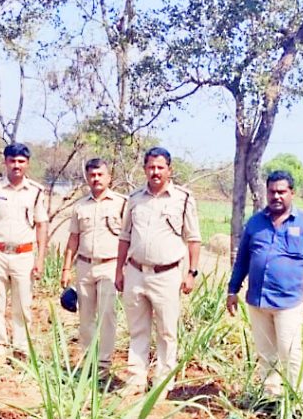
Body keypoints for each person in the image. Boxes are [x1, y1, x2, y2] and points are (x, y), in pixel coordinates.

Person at [226, 170, 303, 397]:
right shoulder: (255, 223)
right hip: (257, 302)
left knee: (290, 353)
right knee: (266, 355)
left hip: (288, 303)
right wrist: (232, 290)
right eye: (272, 192)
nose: (276, 196)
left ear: (292, 193)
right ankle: (270, 398)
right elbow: (242, 260)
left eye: (282, 192)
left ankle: (297, 401)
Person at [115, 147, 201, 397]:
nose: (155, 172)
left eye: (160, 167)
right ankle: (136, 380)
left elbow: (194, 238)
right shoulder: (134, 198)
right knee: (137, 329)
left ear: (169, 170)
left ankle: (162, 384)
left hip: (167, 274)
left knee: (166, 331)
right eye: (151, 167)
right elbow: (124, 236)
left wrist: (191, 273)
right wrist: (119, 270)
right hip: (135, 272)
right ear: (145, 169)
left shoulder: (183, 199)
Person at [0, 143, 49, 365]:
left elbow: (41, 225)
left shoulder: (36, 191)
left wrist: (40, 259)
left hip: (24, 255)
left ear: (27, 164)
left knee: (23, 304)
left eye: (21, 161)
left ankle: (21, 348)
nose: (16, 165)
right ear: (5, 162)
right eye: (12, 161)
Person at [60, 158, 127, 374]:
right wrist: (65, 269)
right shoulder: (80, 206)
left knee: (107, 315)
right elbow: (73, 239)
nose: (96, 179)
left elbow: (130, 238)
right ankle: (88, 361)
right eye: (92, 175)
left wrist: (125, 269)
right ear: (87, 178)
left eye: (100, 175)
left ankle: (104, 365)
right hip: (84, 266)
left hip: (110, 265)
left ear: (109, 177)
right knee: (86, 317)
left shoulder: (122, 204)